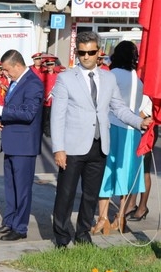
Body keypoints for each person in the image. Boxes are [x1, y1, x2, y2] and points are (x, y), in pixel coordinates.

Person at [50, 31, 152, 248]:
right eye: (82, 53)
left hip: (100, 145)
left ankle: (83, 235)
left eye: (91, 52)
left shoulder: (109, 78)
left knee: (91, 195)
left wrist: (138, 122)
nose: (86, 56)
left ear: (99, 53)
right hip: (72, 147)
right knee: (65, 195)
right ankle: (61, 238)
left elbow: (119, 107)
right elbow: (57, 116)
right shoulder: (65, 78)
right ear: (77, 53)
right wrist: (58, 148)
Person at [0, 49, 44, 241]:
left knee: (22, 189)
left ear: (17, 66)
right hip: (12, 142)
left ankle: (20, 228)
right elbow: (13, 109)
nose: (5, 73)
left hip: (24, 145)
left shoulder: (33, 83)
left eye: (7, 70)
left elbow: (28, 113)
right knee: (10, 188)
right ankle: (9, 222)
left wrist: (1, 110)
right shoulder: (16, 82)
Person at [93, 41, 146, 235]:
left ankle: (102, 217)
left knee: (106, 172)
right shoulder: (137, 78)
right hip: (134, 130)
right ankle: (121, 217)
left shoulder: (111, 75)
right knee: (127, 175)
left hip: (114, 127)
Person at [128, 95, 158, 222]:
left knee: (144, 169)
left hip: (147, 128)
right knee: (134, 169)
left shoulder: (151, 84)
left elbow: (147, 109)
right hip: (136, 127)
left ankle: (142, 207)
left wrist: (130, 117)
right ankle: (131, 204)